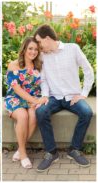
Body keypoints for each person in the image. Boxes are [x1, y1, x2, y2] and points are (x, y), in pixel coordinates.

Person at [34, 24, 94, 172]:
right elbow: (43, 79)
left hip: (72, 97)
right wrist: (45, 96)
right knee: (40, 112)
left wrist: (83, 94)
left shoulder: (72, 48)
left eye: (39, 42)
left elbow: (88, 70)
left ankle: (74, 149)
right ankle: (51, 152)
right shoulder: (43, 56)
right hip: (53, 97)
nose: (38, 46)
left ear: (47, 39)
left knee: (87, 113)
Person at [4, 37, 47, 168]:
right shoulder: (14, 65)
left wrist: (40, 98)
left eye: (35, 49)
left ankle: (19, 149)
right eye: (30, 48)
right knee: (23, 116)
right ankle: (23, 154)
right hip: (16, 97)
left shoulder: (39, 65)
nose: (33, 52)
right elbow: (16, 88)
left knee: (34, 116)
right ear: (24, 49)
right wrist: (34, 101)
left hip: (33, 97)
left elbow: (44, 83)